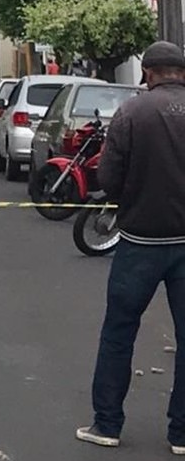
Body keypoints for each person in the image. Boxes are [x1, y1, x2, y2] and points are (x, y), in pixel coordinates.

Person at [76, 41, 185, 452]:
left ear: (149, 74)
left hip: (141, 240)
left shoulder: (132, 113)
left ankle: (107, 425)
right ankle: (181, 434)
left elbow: (108, 176)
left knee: (119, 333)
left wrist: (130, 200)